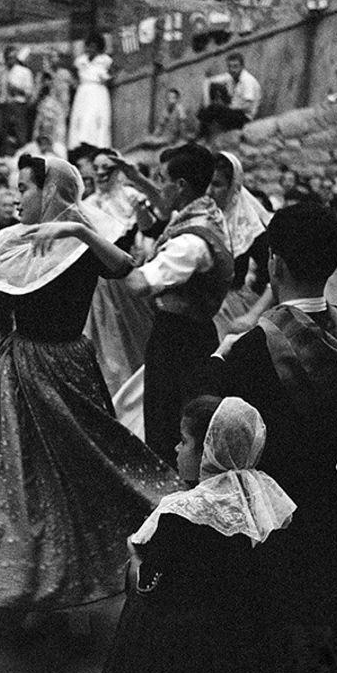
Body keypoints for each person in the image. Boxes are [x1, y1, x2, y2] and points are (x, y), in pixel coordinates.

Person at [0, 154, 180, 612]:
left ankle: (73, 580)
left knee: (79, 475)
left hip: (68, 369)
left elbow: (125, 268)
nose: (17, 197)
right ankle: (29, 581)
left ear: (52, 192)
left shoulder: (83, 244)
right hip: (16, 369)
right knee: (20, 482)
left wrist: (77, 230)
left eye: (25, 187)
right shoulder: (9, 242)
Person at [202, 202, 337, 673]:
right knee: (318, 639)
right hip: (324, 503)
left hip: (264, 511)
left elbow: (215, 429)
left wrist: (218, 360)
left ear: (274, 263)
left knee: (258, 640)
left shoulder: (253, 347)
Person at [86, 395, 296, 673]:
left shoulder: (181, 514)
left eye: (185, 441)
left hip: (176, 653)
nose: (176, 449)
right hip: (232, 648)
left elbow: (150, 587)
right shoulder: (259, 501)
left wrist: (136, 559)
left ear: (208, 451)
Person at [120, 143, 234, 464]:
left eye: (161, 178)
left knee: (168, 427)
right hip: (194, 332)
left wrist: (90, 239)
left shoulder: (191, 243)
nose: (157, 185)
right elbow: (164, 201)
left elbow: (139, 284)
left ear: (181, 185)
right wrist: (136, 179)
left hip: (177, 340)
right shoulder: (204, 209)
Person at [83, 149, 156, 396]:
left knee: (136, 335)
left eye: (108, 168)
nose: (101, 173)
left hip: (127, 277)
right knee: (105, 342)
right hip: (98, 283)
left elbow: (149, 229)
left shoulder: (131, 197)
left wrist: (142, 211)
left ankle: (138, 391)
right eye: (97, 168)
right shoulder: (88, 204)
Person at [207, 151, 274, 337]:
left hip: (237, 309)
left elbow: (277, 278)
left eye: (217, 184)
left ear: (232, 187)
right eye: (206, 182)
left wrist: (252, 316)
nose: (209, 191)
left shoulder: (251, 228)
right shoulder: (203, 216)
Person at [198, 52, 262, 137]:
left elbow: (247, 106)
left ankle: (202, 135)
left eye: (235, 66)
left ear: (242, 67)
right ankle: (205, 125)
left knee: (214, 108)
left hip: (243, 117)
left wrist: (228, 107)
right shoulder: (230, 76)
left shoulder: (247, 81)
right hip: (232, 108)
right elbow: (207, 81)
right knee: (214, 87)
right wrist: (207, 102)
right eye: (229, 67)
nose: (232, 70)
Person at [68, 33, 113, 150]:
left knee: (96, 119)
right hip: (83, 92)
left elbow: (112, 75)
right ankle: (79, 147)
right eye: (88, 46)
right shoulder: (81, 61)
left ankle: (98, 147)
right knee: (81, 119)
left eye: (94, 46)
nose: (90, 49)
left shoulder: (105, 61)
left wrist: (107, 79)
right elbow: (73, 74)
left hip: (98, 92)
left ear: (99, 47)